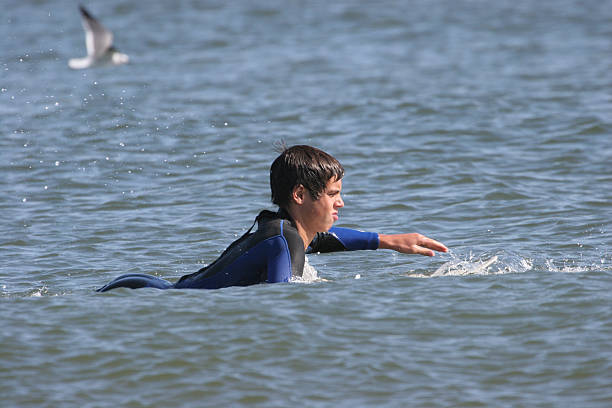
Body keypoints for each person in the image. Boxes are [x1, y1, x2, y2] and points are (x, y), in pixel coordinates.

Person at [96, 145, 447, 292]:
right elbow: (281, 302)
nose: (341, 203)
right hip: (149, 295)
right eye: (333, 194)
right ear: (300, 195)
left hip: (150, 288)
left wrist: (388, 242)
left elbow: (324, 240)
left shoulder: (284, 230)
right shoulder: (285, 239)